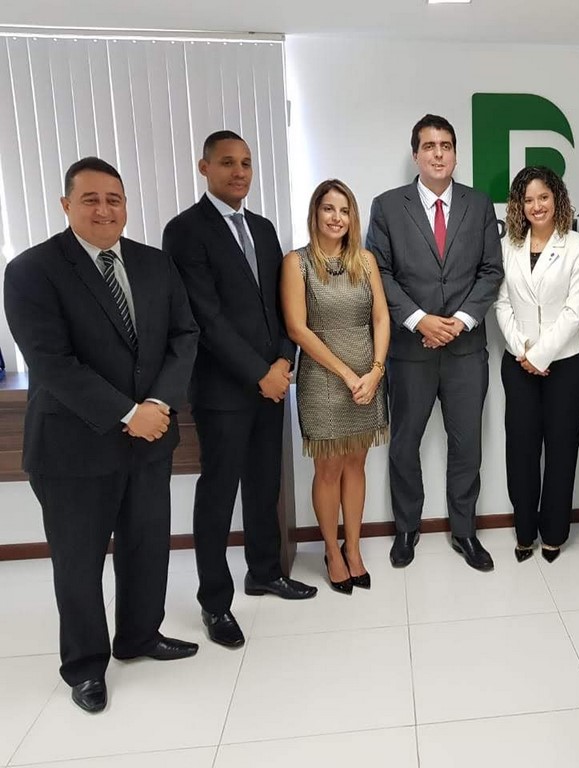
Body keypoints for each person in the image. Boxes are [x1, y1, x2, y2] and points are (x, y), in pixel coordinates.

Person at [3, 157, 200, 713]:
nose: (104, 209)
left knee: (146, 546)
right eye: (90, 199)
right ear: (66, 205)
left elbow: (184, 336)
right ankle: (86, 666)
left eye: (114, 199)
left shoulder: (155, 264)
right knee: (79, 562)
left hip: (150, 439)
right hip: (74, 446)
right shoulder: (32, 270)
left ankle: (139, 636)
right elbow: (51, 362)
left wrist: (156, 404)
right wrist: (126, 412)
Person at [163, 130, 316, 650]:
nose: (239, 172)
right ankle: (215, 602)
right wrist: (259, 373)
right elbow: (205, 317)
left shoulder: (263, 228)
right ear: (204, 167)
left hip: (272, 381)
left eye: (246, 162)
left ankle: (264, 572)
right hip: (223, 390)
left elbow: (282, 305)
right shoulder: (184, 231)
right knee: (218, 493)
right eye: (227, 162)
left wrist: (283, 362)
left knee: (264, 484)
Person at [365, 114, 503, 572]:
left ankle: (465, 531)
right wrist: (420, 320)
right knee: (405, 444)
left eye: (446, 145)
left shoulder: (478, 205)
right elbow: (380, 272)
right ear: (416, 155)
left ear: (456, 154)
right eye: (429, 146)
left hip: (465, 351)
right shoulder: (388, 206)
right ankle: (407, 528)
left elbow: (491, 271)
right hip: (410, 352)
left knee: (468, 446)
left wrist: (458, 322)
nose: (438, 153)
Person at [281, 180, 389, 592]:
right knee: (328, 468)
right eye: (329, 208)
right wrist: (346, 374)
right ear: (315, 213)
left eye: (344, 210)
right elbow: (297, 328)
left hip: (367, 378)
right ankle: (331, 550)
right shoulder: (297, 263)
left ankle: (353, 548)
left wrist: (375, 371)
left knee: (356, 464)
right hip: (324, 379)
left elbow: (381, 318)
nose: (337, 217)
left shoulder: (366, 260)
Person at [494, 166, 579, 564]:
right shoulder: (507, 245)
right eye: (528, 199)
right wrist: (523, 349)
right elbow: (501, 303)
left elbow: (576, 310)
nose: (536, 206)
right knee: (520, 450)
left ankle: (554, 534)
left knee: (561, 450)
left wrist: (539, 356)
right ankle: (525, 531)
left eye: (544, 197)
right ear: (518, 205)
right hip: (518, 362)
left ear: (557, 199)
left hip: (568, 364)